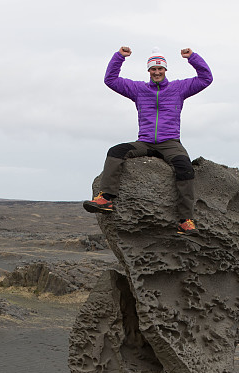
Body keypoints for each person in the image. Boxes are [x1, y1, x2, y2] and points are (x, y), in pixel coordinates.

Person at [83, 46, 213, 234]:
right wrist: (119, 57)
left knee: (184, 167)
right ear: (149, 71)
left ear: (165, 70)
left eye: (160, 69)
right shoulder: (138, 90)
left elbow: (206, 78)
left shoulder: (179, 89)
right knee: (116, 151)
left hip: (170, 142)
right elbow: (110, 80)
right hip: (145, 142)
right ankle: (106, 199)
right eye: (153, 69)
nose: (157, 72)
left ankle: (185, 221)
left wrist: (192, 58)